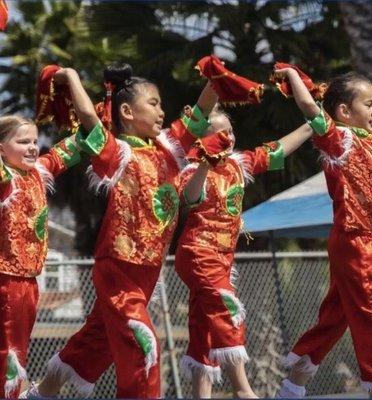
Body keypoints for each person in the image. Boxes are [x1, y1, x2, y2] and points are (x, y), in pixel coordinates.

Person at [34, 63, 222, 398]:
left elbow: (200, 111)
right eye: (153, 103)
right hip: (118, 267)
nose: (162, 111)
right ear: (126, 111)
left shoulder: (169, 146)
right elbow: (90, 121)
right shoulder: (117, 152)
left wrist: (218, 78)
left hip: (148, 271)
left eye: (161, 104)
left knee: (99, 338)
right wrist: (74, 78)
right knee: (143, 343)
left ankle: (41, 392)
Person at [274, 38, 372, 398]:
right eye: (369, 104)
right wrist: (293, 76)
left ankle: (291, 387)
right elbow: (309, 108)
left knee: (337, 316)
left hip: (369, 242)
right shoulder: (338, 140)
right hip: (355, 242)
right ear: (344, 111)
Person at [175, 106, 312, 398]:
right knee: (229, 310)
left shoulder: (239, 164)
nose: (229, 137)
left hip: (222, 260)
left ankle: (201, 395)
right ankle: (243, 390)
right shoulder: (190, 168)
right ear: (203, 139)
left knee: (204, 328)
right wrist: (205, 162)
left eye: (231, 130)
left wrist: (312, 124)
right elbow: (190, 197)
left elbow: (276, 150)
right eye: (220, 132)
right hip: (199, 253)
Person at [0, 115, 81, 398]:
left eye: (35, 141)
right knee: (6, 354)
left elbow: (76, 145)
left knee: (17, 352)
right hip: (4, 281)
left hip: (29, 285)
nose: (33, 147)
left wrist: (105, 105)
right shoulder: (3, 177)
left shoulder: (38, 173)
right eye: (23, 141)